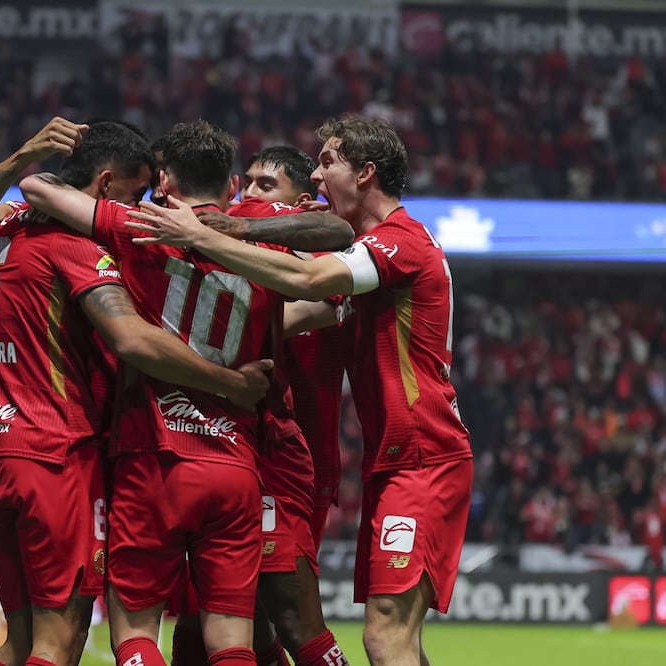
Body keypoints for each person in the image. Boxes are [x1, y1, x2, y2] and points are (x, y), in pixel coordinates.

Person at [125, 115, 474, 666]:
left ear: (365, 173)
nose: (316, 176)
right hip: (394, 459)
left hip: (422, 457)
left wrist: (204, 235)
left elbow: (305, 283)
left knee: (383, 637)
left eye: (328, 162)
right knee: (386, 635)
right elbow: (289, 312)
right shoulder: (372, 249)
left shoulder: (398, 243)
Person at [20, 119, 341, 666]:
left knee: (137, 628)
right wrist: (231, 230)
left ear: (163, 177)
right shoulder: (254, 223)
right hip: (236, 461)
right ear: (231, 181)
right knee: (233, 638)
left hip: (153, 456)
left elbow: (36, 188)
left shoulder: (137, 222)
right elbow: (336, 232)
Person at [0, 117, 272, 666]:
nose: (143, 204)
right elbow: (130, 338)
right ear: (104, 186)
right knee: (60, 642)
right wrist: (231, 383)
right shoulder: (75, 246)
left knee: (21, 644)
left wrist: (20, 155)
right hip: (53, 449)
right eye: (135, 194)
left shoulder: (9, 226)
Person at [171, 146, 351, 666]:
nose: (250, 195)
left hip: (290, 452)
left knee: (285, 611)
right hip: (231, 444)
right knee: (216, 611)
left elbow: (299, 307)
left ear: (304, 202)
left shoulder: (317, 250)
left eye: (266, 187)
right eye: (246, 183)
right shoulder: (253, 246)